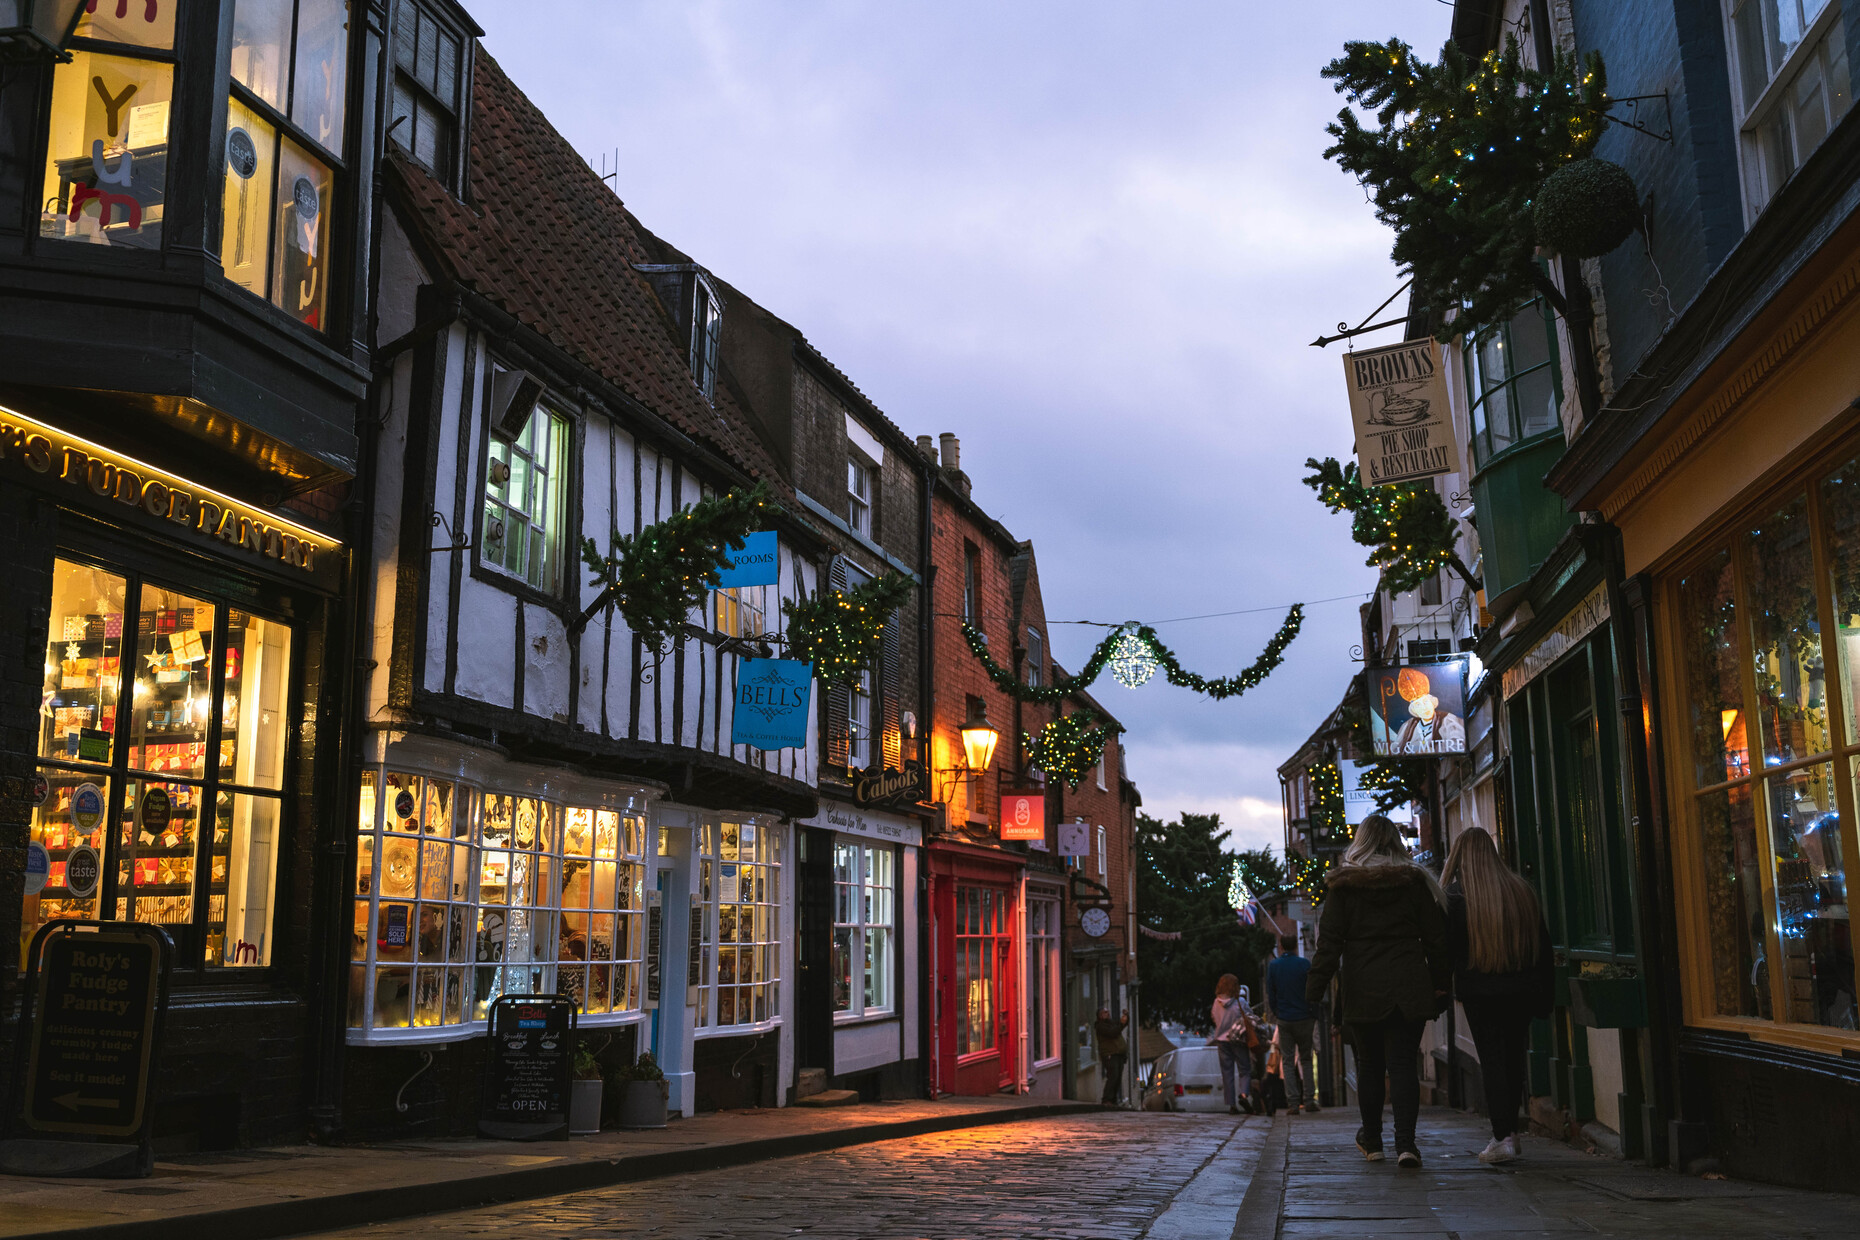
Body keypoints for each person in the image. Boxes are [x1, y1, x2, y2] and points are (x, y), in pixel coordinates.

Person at [1304, 814, 1449, 1169]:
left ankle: (1372, 1141)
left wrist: (1313, 991)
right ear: (1396, 842)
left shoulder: (1344, 886)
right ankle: (1407, 1145)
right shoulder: (1414, 883)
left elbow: (1329, 945)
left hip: (1363, 985)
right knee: (1403, 1064)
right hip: (1408, 984)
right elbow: (1437, 940)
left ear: (1362, 842)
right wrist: (1441, 985)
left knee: (1369, 1066)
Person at [1442, 827, 1553, 1165]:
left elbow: (1449, 952)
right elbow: (1542, 946)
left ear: (1460, 858)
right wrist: (1544, 993)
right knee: (1513, 1057)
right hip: (1520, 988)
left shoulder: (1456, 899)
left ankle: (1502, 1135)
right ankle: (1510, 1130)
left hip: (1480, 991)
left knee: (1492, 1060)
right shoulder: (1521, 891)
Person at [1265, 933, 1320, 1114]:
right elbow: (1312, 988)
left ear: (1281, 946)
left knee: (1287, 1061)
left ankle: (1293, 1103)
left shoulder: (1274, 966)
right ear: (1296, 945)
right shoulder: (1304, 964)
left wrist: (1277, 1012)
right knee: (1306, 1058)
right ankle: (1310, 1100)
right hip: (1304, 1017)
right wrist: (1312, 1011)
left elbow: (1271, 993)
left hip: (1285, 1018)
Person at [1209, 973, 1256, 1115]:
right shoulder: (1240, 1002)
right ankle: (1243, 1094)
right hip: (1238, 1040)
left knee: (1227, 1073)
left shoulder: (1216, 1003)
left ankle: (1231, 1105)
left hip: (1221, 1041)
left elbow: (1213, 1017)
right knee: (1244, 1069)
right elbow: (1250, 1016)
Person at [1095, 1006, 1129, 1106]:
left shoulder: (1110, 1023)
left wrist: (1126, 1017)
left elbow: (1119, 1026)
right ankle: (1106, 1099)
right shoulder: (1101, 1026)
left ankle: (1113, 1099)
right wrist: (1121, 1024)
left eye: (1108, 1012)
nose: (1108, 1013)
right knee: (1113, 1076)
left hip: (1118, 1054)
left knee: (1117, 1077)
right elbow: (1113, 1032)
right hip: (1110, 1055)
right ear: (1100, 1015)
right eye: (1105, 1012)